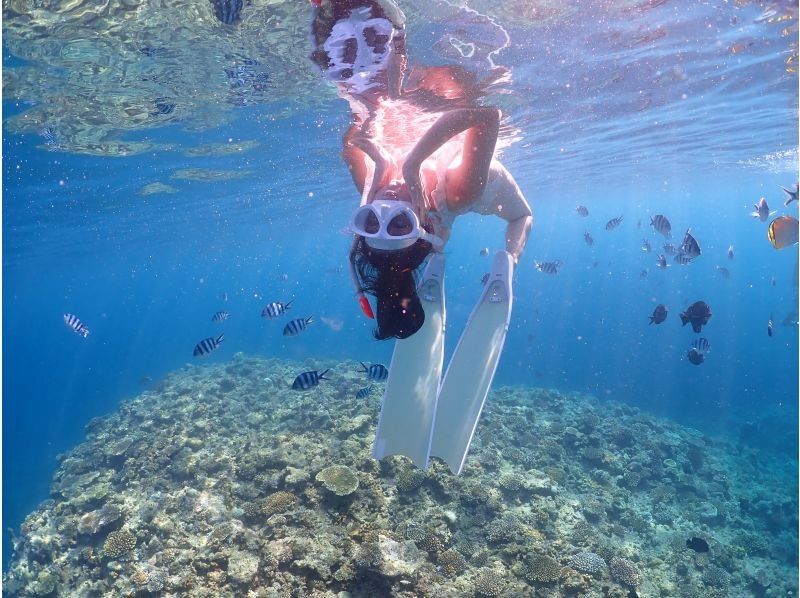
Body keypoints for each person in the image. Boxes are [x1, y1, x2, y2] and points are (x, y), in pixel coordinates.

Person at [310, 0, 532, 474]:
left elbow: (349, 143)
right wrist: (411, 164)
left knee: (344, 50)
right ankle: (391, 28)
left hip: (432, 228)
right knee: (520, 220)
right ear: (424, 223)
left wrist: (368, 136)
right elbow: (486, 115)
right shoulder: (460, 190)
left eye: (373, 219)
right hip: (502, 203)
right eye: (398, 221)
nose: (385, 205)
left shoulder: (371, 190)